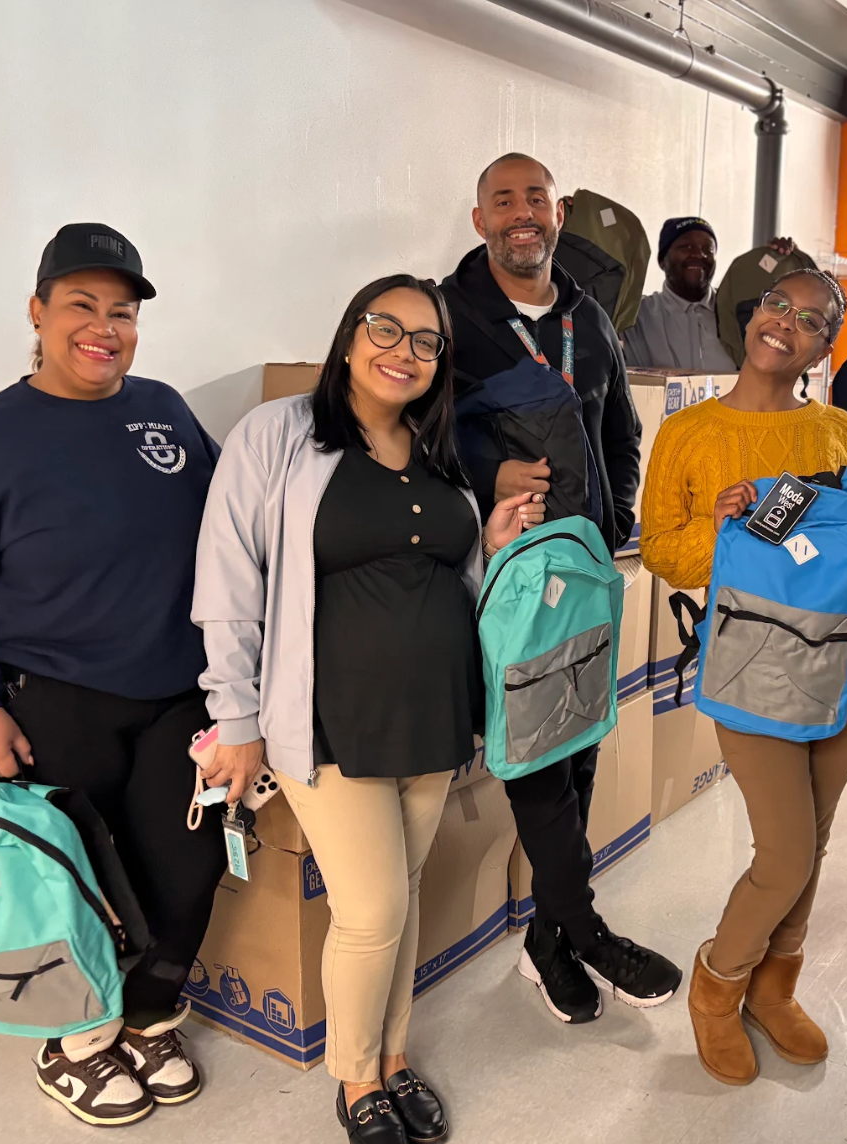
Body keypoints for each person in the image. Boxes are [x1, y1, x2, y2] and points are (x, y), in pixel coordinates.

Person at [193, 274, 543, 1144]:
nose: (405, 351)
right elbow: (229, 580)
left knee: (404, 891)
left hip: (432, 712)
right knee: (373, 910)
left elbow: (446, 580)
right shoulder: (279, 436)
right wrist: (234, 718)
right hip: (328, 721)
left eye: (427, 342)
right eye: (387, 328)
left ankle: (391, 1059)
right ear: (350, 336)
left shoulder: (438, 453)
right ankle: (354, 1083)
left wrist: (488, 544)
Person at [0, 223, 226, 1127]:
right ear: (38, 313)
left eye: (121, 312)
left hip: (175, 698)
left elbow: (232, 532)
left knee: (183, 868)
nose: (104, 328)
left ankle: (151, 1015)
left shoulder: (161, 409)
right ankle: (74, 1043)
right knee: (64, 885)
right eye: (82, 306)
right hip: (42, 700)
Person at [440, 152, 682, 1024]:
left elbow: (620, 431)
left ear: (558, 212)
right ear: (480, 220)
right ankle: (584, 929)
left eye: (535, 199)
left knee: (576, 751)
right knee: (540, 755)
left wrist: (615, 524)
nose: (521, 214)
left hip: (585, 568)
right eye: (502, 199)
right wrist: (490, 469)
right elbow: (418, 436)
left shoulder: (590, 316)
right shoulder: (448, 316)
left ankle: (547, 944)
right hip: (504, 574)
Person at [641, 269, 847, 1084]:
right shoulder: (689, 433)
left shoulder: (836, 428)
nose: (789, 324)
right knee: (784, 853)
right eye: (779, 306)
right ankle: (717, 988)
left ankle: (773, 988)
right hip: (754, 663)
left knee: (812, 842)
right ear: (753, 315)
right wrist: (719, 533)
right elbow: (658, 548)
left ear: (828, 344)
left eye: (815, 320)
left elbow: (843, 546)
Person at [622, 217, 795, 373]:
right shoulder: (636, 315)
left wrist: (783, 259)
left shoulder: (736, 312)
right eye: (686, 247)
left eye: (708, 248)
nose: (699, 254)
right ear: (662, 261)